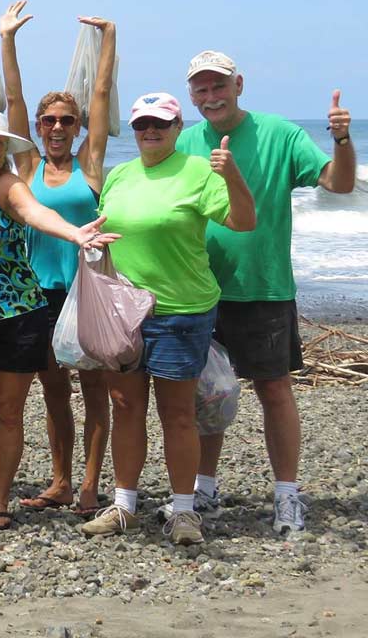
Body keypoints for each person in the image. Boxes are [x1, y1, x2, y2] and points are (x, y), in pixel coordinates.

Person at [171, 50, 356, 535]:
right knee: (206, 396)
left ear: (239, 84)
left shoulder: (281, 134)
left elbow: (338, 184)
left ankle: (287, 496)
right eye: (201, 89)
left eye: (219, 86)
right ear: (191, 95)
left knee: (274, 390)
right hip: (199, 289)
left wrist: (341, 139)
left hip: (264, 286)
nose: (210, 97)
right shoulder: (184, 140)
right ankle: (204, 490)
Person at [0, 109, 118, 531]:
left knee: (8, 414)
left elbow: (34, 213)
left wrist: (74, 233)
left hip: (19, 315)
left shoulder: (8, 185)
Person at [79, 93, 256, 546]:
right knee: (125, 408)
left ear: (179, 127)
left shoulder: (198, 171)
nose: (150, 131)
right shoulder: (120, 175)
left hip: (181, 311)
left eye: (161, 123)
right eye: (142, 125)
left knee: (178, 414)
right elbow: (108, 229)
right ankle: (124, 506)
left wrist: (232, 173)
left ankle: (183, 511)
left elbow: (242, 220)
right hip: (123, 312)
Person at [0, 0, 117, 517]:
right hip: (37, 293)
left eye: (66, 120)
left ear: (78, 125)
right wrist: (7, 39)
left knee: (93, 388)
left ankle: (91, 484)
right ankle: (62, 481)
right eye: (48, 120)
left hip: (82, 292)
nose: (55, 126)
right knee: (52, 389)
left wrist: (109, 35)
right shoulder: (26, 164)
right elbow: (13, 99)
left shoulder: (89, 165)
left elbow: (102, 92)